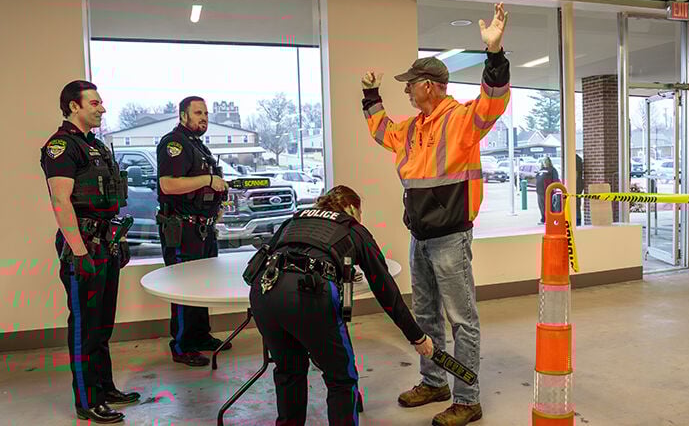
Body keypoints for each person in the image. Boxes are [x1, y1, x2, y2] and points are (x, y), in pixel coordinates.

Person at [360, 2, 510, 426]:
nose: (406, 91)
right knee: (424, 316)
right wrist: (370, 94)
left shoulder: (461, 119)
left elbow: (493, 103)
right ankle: (434, 381)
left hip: (450, 237)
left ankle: (467, 397)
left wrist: (495, 55)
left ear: (430, 85)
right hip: (420, 237)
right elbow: (380, 129)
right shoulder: (412, 128)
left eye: (410, 85)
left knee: (462, 320)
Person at [246, 185, 434, 426]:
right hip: (309, 297)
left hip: (264, 294)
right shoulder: (353, 228)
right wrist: (416, 336)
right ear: (352, 208)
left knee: (289, 372)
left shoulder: (296, 219)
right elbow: (386, 290)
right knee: (341, 379)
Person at [40, 80, 140, 423]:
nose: (102, 108)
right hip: (82, 244)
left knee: (102, 323)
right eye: (95, 103)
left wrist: (118, 241)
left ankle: (105, 386)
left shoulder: (95, 146)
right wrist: (79, 252)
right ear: (73, 107)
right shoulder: (60, 147)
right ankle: (87, 400)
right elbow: (60, 201)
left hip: (105, 241)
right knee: (85, 325)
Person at [156, 96, 231, 367]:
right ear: (183, 115)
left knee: (202, 287)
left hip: (203, 228)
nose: (204, 118)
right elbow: (169, 185)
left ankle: (200, 335)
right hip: (182, 228)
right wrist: (209, 180)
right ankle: (182, 344)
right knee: (183, 287)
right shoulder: (174, 144)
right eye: (198, 113)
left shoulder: (197, 146)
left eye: (206, 114)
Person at [535, 156, 560, 225]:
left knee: (549, 205)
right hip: (540, 192)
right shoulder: (541, 169)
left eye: (546, 161)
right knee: (541, 205)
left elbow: (555, 180)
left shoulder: (552, 170)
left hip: (548, 191)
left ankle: (550, 219)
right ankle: (543, 218)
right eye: (543, 161)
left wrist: (555, 188)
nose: (544, 162)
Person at [576, 153, 584, 226]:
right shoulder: (578, 159)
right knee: (577, 202)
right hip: (579, 183)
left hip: (577, 184)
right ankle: (577, 219)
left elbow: (576, 173)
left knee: (576, 202)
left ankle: (577, 220)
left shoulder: (575, 160)